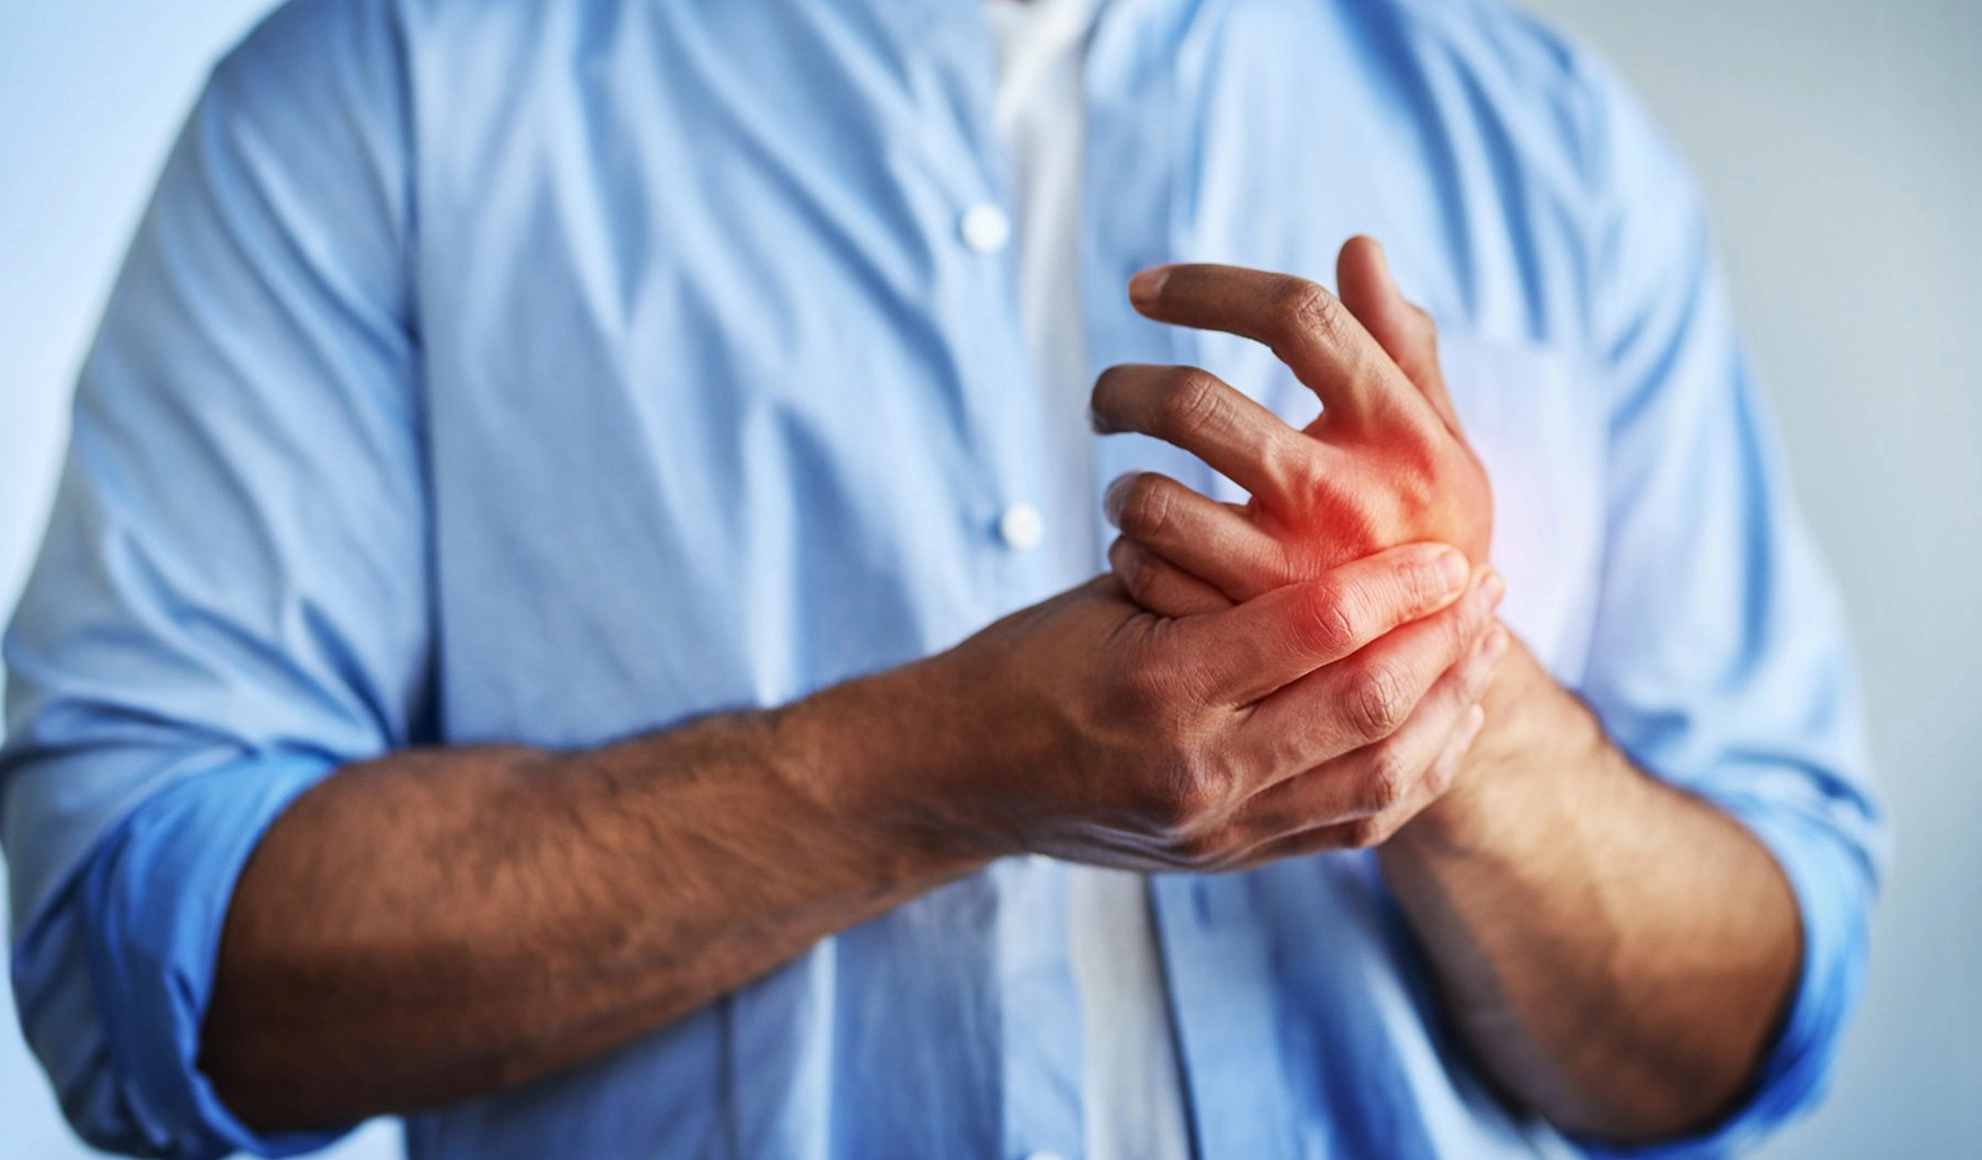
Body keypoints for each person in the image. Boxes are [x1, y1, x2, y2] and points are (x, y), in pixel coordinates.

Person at [0, 0, 1882, 1157]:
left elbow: (1742, 1023)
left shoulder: (1546, 142)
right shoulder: (379, 89)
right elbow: (137, 953)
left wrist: (1433, 699)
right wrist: (930, 773)